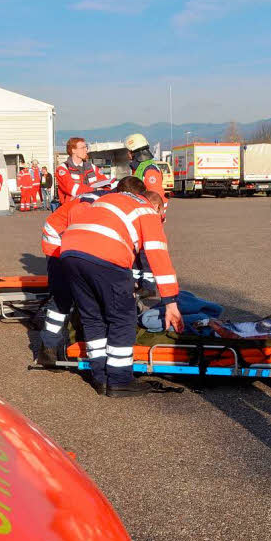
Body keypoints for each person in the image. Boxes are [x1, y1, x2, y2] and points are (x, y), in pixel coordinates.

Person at [59, 188, 183, 397]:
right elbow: (158, 256)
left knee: (92, 317)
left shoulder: (113, 199)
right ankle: (119, 380)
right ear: (158, 208)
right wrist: (170, 302)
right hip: (105, 253)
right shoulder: (147, 211)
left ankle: (99, 377)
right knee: (123, 317)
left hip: (70, 251)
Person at [36, 176, 149, 367]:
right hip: (58, 241)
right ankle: (49, 348)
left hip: (73, 241)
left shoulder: (111, 202)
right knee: (63, 296)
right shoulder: (94, 203)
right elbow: (81, 230)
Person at [124, 133, 168, 294]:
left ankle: (148, 287)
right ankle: (137, 282)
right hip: (140, 216)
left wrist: (155, 219)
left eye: (129, 151)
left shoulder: (149, 170)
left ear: (135, 152)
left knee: (145, 254)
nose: (128, 155)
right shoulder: (140, 168)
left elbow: (156, 197)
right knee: (137, 252)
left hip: (148, 217)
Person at [57, 137, 110, 204]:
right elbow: (72, 189)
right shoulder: (63, 169)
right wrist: (94, 190)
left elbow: (106, 183)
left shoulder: (92, 167)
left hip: (92, 205)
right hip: (71, 207)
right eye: (82, 148)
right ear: (73, 150)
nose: (86, 150)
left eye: (86, 147)